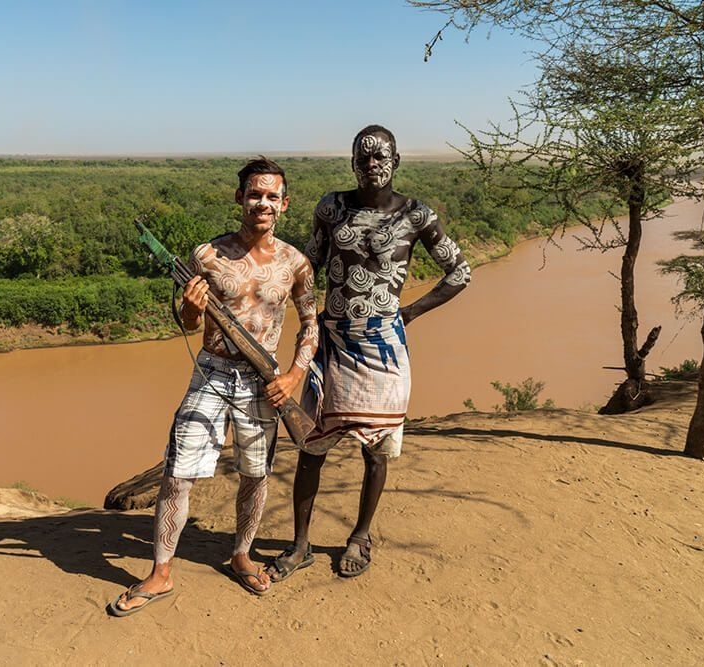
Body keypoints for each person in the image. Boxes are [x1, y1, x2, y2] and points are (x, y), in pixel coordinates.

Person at [109, 158, 318, 615]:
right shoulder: (207, 256)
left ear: (284, 204)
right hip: (211, 372)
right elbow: (187, 322)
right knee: (177, 472)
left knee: (255, 474)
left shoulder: (296, 263)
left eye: (270, 196)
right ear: (239, 198)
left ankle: (241, 554)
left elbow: (310, 326)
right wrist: (189, 307)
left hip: (265, 381)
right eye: (253, 194)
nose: (261, 203)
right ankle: (161, 572)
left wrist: (293, 376)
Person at [268, 125, 471, 581]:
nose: (372, 165)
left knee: (378, 450)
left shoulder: (417, 215)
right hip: (332, 343)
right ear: (352, 163)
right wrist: (297, 314)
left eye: (381, 157)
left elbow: (459, 272)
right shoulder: (331, 207)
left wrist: (411, 313)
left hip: (383, 347)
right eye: (363, 157)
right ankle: (300, 543)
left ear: (397, 162)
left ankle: (360, 535)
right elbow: (307, 268)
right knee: (311, 445)